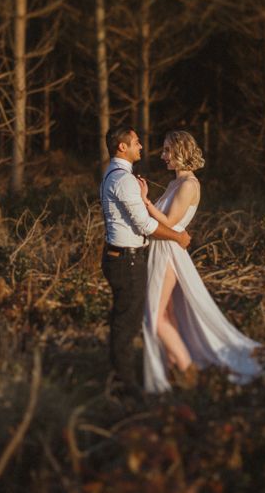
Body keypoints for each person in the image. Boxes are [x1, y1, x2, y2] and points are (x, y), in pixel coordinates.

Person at [138, 131, 265, 393]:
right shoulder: (176, 183)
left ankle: (187, 371)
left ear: (181, 151)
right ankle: (174, 365)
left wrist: (145, 201)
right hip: (162, 249)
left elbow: (171, 222)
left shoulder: (188, 185)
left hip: (167, 252)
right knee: (166, 314)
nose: (162, 156)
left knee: (153, 316)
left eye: (167, 151)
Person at [100, 126, 192, 398]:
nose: (141, 147)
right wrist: (177, 237)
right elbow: (144, 225)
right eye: (137, 143)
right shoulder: (124, 179)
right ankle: (125, 386)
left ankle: (123, 376)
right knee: (127, 323)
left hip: (119, 256)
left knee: (124, 319)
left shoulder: (112, 174)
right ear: (122, 147)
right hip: (127, 260)